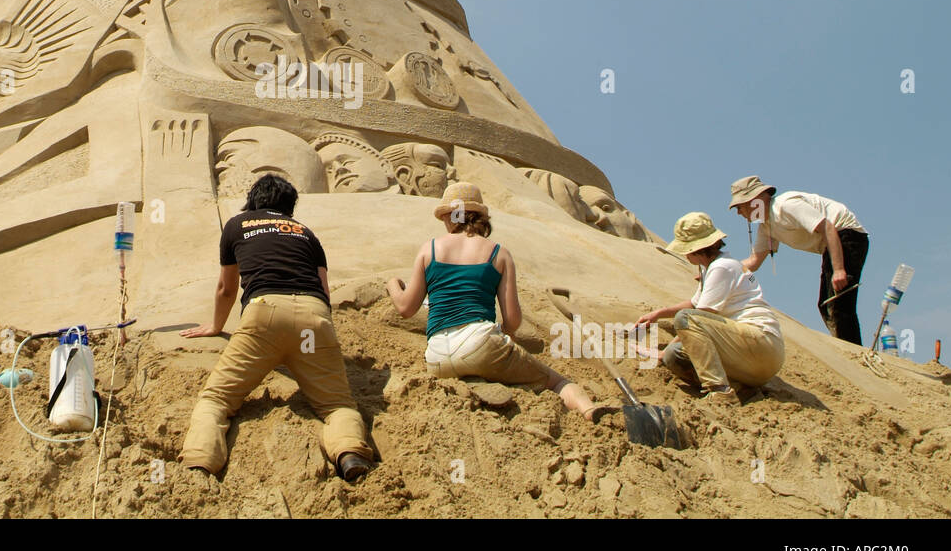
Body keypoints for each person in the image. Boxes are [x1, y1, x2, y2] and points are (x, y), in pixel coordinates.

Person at [179, 174, 372, 481]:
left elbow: (226, 289)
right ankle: (349, 453)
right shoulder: (307, 234)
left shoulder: (238, 225)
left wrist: (216, 326)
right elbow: (324, 290)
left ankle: (200, 462)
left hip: (264, 315)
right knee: (336, 404)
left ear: (254, 200)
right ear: (289, 206)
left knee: (217, 400)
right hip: (313, 318)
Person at [385, 182, 604, 422]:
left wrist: (392, 284)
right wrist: (504, 337)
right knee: (557, 381)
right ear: (479, 216)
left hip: (437, 356)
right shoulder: (498, 253)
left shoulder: (430, 249)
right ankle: (590, 411)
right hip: (480, 343)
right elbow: (513, 320)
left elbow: (406, 308)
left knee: (469, 363)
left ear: (451, 215)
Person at [637, 212, 784, 405]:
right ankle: (740, 388)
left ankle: (720, 390)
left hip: (760, 343)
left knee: (683, 325)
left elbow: (700, 315)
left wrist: (664, 351)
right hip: (750, 356)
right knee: (675, 357)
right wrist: (659, 314)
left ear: (695, 248)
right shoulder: (714, 267)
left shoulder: (722, 268)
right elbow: (695, 304)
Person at [728, 175, 869, 344]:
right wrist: (723, 268)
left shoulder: (786, 205)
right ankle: (848, 347)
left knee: (838, 304)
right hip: (832, 244)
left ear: (754, 200)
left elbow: (828, 227)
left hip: (847, 234)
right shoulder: (766, 227)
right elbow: (754, 262)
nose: (738, 213)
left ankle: (853, 353)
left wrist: (839, 270)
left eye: (740, 206)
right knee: (826, 305)